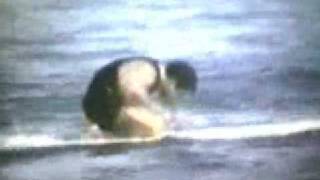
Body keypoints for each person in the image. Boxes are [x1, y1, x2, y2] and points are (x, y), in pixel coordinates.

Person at [82, 57, 197, 138]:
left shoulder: (154, 74)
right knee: (156, 126)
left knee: (161, 122)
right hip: (104, 103)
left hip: (104, 101)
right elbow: (133, 91)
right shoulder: (149, 70)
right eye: (179, 93)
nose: (175, 97)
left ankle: (106, 133)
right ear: (172, 83)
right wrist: (157, 111)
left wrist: (172, 117)